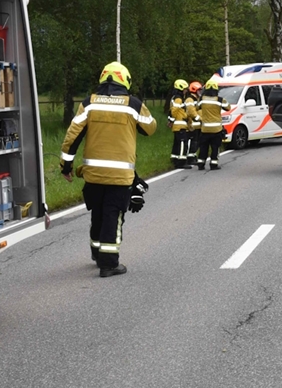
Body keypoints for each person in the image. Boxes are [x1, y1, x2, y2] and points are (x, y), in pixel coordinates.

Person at [60, 62, 157, 277]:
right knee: (113, 215)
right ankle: (109, 263)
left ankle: (97, 253)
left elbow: (71, 137)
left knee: (98, 212)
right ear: (126, 81)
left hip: (93, 175)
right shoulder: (133, 105)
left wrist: (66, 166)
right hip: (120, 176)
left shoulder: (89, 104)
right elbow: (150, 128)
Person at [196, 77, 230, 171]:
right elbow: (228, 107)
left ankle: (201, 164)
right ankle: (213, 164)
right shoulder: (219, 100)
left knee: (203, 147)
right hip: (216, 129)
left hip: (205, 129)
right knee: (215, 147)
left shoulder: (202, 99)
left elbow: (197, 107)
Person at [168, 78, 190, 168]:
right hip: (180, 124)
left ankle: (175, 159)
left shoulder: (175, 98)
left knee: (177, 143)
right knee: (182, 143)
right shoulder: (178, 99)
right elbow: (174, 111)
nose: (185, 91)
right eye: (185, 89)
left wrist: (170, 120)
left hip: (178, 124)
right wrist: (172, 121)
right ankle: (181, 162)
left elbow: (171, 112)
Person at [185, 80, 202, 167]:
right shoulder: (190, 99)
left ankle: (193, 156)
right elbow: (191, 112)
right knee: (192, 142)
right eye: (199, 90)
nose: (200, 92)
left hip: (198, 125)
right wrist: (199, 119)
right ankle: (190, 158)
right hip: (192, 124)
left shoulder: (197, 99)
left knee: (197, 142)